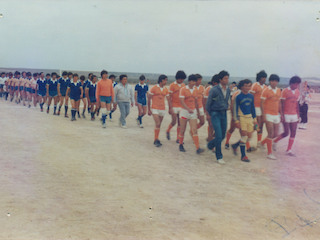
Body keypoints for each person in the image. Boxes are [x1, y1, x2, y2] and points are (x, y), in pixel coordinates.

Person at [206, 70, 231, 164]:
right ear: (220, 79)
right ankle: (219, 156)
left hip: (224, 113)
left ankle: (210, 145)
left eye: (227, 78)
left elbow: (227, 100)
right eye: (225, 78)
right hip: (215, 113)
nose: (227, 80)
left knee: (223, 135)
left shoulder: (228, 89)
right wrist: (208, 114)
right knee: (219, 135)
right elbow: (208, 103)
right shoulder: (214, 89)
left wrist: (227, 106)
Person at [273, 76, 301, 156]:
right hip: (286, 114)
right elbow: (281, 104)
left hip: (294, 114)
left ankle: (289, 150)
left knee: (294, 131)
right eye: (295, 84)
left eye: (297, 84)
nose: (296, 86)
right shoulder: (285, 91)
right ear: (291, 83)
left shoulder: (297, 92)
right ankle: (275, 141)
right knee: (286, 132)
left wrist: (298, 115)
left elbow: (297, 104)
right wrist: (281, 115)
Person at [231, 79, 257, 162]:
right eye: (245, 86)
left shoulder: (251, 96)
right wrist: (236, 121)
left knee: (249, 136)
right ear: (241, 86)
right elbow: (234, 109)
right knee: (244, 136)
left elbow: (252, 108)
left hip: (249, 118)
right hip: (241, 118)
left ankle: (235, 145)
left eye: (249, 86)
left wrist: (255, 118)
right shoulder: (238, 96)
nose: (247, 87)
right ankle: (243, 156)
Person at [178, 74, 204, 154]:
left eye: (195, 81)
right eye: (193, 81)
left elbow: (196, 101)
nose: (194, 83)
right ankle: (180, 144)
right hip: (184, 112)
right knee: (182, 129)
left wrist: (198, 113)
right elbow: (182, 101)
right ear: (189, 81)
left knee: (194, 129)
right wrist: (187, 109)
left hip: (193, 112)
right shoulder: (183, 89)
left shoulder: (196, 90)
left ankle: (197, 148)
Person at [260, 74, 282, 160]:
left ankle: (262, 143)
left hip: (276, 114)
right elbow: (262, 103)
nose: (275, 82)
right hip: (268, 114)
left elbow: (279, 102)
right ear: (270, 81)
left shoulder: (279, 90)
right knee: (270, 133)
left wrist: (281, 113)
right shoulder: (265, 90)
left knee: (275, 134)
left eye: (276, 81)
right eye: (273, 81)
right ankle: (269, 153)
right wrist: (263, 115)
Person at [148, 74, 170, 147]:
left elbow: (168, 99)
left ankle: (157, 138)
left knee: (159, 124)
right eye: (165, 80)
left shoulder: (166, 89)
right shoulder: (154, 88)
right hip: (155, 108)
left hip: (162, 108)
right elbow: (149, 98)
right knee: (157, 123)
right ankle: (155, 139)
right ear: (161, 80)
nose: (166, 81)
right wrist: (149, 109)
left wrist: (170, 108)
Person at [166, 70, 187, 143]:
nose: (182, 80)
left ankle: (178, 138)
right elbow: (169, 97)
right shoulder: (172, 85)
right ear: (177, 78)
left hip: (181, 106)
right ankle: (168, 130)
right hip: (174, 105)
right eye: (181, 79)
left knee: (180, 123)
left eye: (183, 79)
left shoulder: (183, 85)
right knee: (174, 121)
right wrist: (170, 107)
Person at [250, 70, 268, 147]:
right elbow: (251, 97)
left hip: (262, 108)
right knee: (257, 125)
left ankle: (259, 142)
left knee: (261, 125)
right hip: (255, 108)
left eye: (265, 78)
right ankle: (247, 136)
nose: (264, 79)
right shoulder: (255, 85)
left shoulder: (265, 87)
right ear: (260, 78)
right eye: (263, 77)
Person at [203, 74, 220, 143]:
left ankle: (210, 137)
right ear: (214, 82)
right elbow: (205, 102)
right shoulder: (208, 89)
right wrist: (207, 113)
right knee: (211, 126)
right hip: (210, 111)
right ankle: (210, 140)